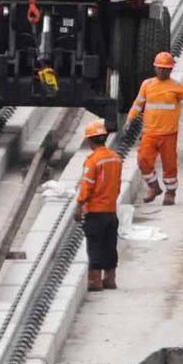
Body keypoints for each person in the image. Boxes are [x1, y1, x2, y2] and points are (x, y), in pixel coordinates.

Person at [126, 51, 183, 206]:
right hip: (150, 133)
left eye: (165, 68)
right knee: (143, 160)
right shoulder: (147, 85)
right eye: (159, 68)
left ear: (170, 69)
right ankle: (154, 187)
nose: (162, 71)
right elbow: (138, 104)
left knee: (169, 165)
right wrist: (130, 119)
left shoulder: (176, 88)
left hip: (168, 135)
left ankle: (170, 193)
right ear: (155, 68)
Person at [76, 120, 123, 292]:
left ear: (90, 140)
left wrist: (79, 205)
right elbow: (117, 185)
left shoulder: (93, 161)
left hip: (95, 212)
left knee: (95, 246)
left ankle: (95, 282)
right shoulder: (115, 158)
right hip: (111, 211)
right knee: (110, 245)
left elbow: (86, 186)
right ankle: (110, 279)